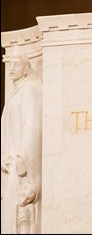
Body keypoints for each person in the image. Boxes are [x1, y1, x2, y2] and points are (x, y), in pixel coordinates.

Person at [1, 54, 42, 234]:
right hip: (9, 162)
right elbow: (6, 130)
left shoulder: (29, 91)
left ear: (26, 70)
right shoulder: (12, 97)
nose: (11, 68)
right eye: (10, 64)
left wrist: (23, 157)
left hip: (21, 162)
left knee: (22, 211)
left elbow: (31, 125)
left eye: (17, 65)